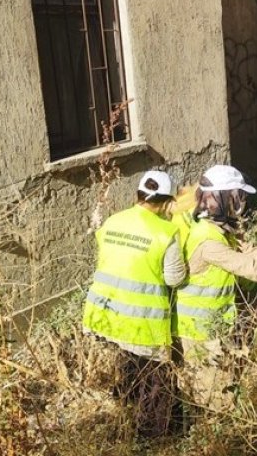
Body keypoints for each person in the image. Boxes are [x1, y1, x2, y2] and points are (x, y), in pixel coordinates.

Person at [176, 164, 257, 411]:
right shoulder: (207, 240)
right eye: (236, 198)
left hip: (214, 325)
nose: (240, 204)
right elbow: (246, 265)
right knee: (214, 400)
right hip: (201, 330)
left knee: (220, 391)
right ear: (220, 198)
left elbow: (250, 251)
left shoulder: (217, 230)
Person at [81, 171, 186, 438]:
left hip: (106, 312)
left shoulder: (113, 221)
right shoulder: (166, 232)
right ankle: (152, 437)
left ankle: (125, 412)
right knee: (156, 378)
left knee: (129, 362)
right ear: (165, 203)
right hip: (142, 320)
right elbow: (174, 279)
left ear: (137, 195)